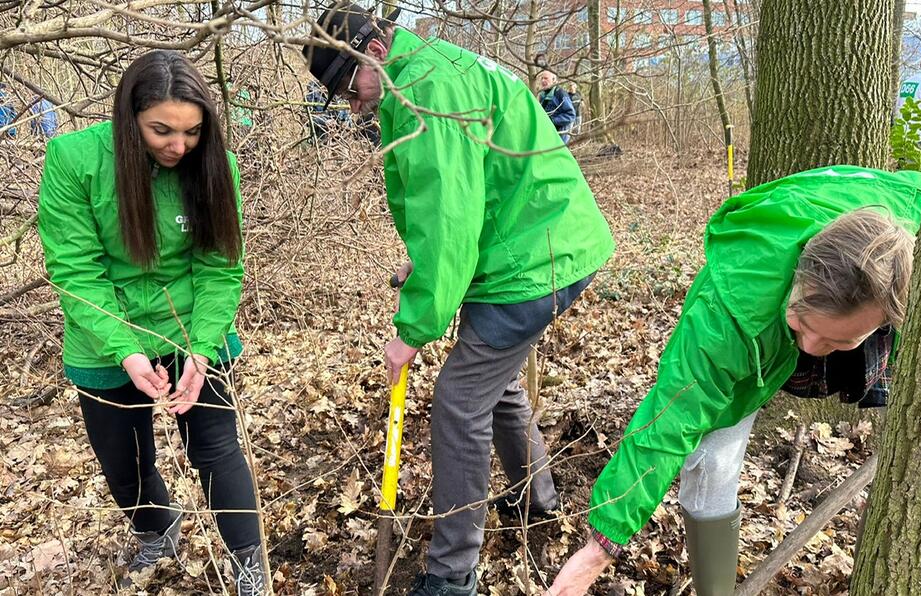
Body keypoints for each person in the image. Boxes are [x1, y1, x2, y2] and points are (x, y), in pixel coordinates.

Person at [302, 4, 615, 594]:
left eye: (349, 87)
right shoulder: (423, 74)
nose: (352, 104)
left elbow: (449, 218)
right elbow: (464, 199)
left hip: (535, 260)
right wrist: (424, 265)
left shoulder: (429, 94)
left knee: (457, 402)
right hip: (536, 244)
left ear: (374, 51)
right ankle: (537, 500)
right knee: (494, 387)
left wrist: (412, 330)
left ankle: (452, 574)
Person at [548, 166, 921, 596]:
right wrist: (600, 546)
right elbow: (670, 422)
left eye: (837, 338)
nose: (812, 346)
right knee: (712, 457)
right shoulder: (724, 318)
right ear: (800, 276)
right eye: (802, 323)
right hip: (752, 320)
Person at [37, 50, 265, 595]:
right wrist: (128, 351)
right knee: (124, 458)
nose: (178, 146)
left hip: (191, 325)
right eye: (161, 130)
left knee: (216, 446)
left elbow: (219, 267)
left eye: (191, 132)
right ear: (128, 117)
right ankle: (157, 527)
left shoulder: (215, 166)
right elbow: (75, 273)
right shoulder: (74, 159)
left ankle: (248, 564)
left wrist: (202, 349)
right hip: (103, 335)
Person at [536, 69, 577, 144]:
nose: (543, 81)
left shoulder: (560, 94)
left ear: (553, 80)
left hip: (560, 134)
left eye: (546, 78)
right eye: (541, 78)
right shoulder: (542, 95)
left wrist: (553, 120)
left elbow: (571, 115)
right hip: (548, 132)